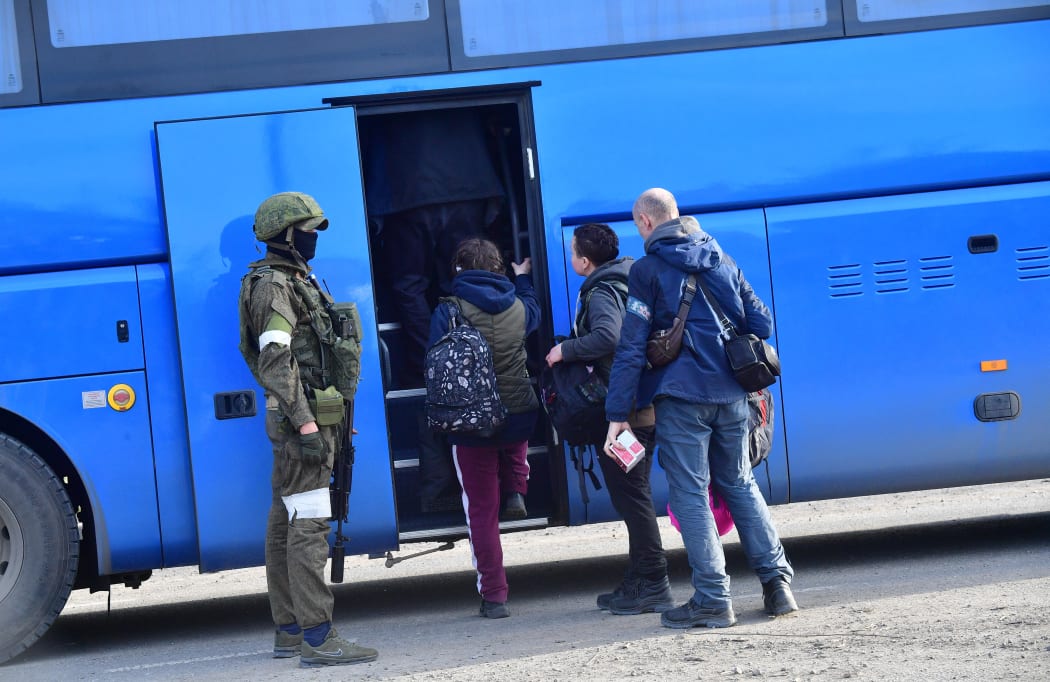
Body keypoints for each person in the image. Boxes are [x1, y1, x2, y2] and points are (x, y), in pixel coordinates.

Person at [604, 188, 798, 629]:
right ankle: (777, 585)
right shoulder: (722, 259)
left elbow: (632, 347)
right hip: (733, 396)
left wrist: (617, 414)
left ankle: (713, 598)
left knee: (691, 493)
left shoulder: (648, 271)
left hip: (682, 401)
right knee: (740, 484)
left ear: (647, 223)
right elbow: (762, 323)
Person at [238, 192, 379, 666]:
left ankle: (291, 631)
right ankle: (319, 637)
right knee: (308, 527)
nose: (315, 236)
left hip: (309, 419)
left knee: (285, 524)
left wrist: (327, 420)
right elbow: (277, 361)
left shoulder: (293, 280)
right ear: (286, 234)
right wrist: (307, 425)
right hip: (302, 426)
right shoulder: (275, 287)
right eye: (309, 228)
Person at [544, 223, 672, 616]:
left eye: (572, 252)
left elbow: (608, 337)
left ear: (585, 259)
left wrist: (564, 351)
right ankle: (637, 580)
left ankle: (654, 583)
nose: (570, 259)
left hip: (625, 417)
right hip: (640, 408)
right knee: (632, 495)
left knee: (632, 498)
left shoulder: (601, 290)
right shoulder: (628, 279)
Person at [427, 238, 540, 619]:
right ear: (499, 269)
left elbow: (436, 359)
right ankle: (517, 487)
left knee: (480, 511)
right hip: (518, 411)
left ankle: (495, 596)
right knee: (515, 439)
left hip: (471, 421)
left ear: (458, 270)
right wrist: (522, 279)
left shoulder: (449, 310)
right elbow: (536, 311)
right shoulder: (521, 308)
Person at [363, 109, 506, 387]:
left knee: (409, 286)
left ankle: (427, 364)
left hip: (403, 192)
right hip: (468, 187)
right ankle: (473, 361)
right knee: (465, 279)